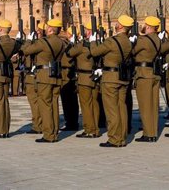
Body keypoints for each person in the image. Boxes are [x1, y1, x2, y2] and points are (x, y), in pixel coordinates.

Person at [20, 19, 68, 143]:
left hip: (44, 76)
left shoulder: (43, 42)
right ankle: (54, 130)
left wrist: (29, 40)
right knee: (54, 104)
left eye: (47, 27)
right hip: (56, 75)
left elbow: (25, 51)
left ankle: (48, 134)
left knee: (45, 105)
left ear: (51, 29)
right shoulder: (61, 43)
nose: (46, 29)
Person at [90, 14, 134, 148]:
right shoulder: (128, 42)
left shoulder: (111, 41)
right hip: (122, 78)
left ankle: (115, 138)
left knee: (112, 109)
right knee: (122, 108)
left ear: (120, 26)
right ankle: (122, 137)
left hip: (111, 77)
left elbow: (95, 52)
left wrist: (93, 41)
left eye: (117, 23)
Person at [131, 16, 163, 142]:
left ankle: (148, 133)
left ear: (148, 26)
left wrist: (133, 41)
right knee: (153, 105)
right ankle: (153, 131)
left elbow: (132, 52)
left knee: (145, 105)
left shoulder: (143, 40)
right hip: (154, 73)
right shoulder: (157, 39)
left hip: (144, 74)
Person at [67, 22, 101, 138]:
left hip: (84, 78)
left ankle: (89, 130)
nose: (85, 31)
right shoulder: (98, 44)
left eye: (87, 30)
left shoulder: (82, 45)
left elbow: (69, 53)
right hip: (95, 77)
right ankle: (95, 128)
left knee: (86, 104)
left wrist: (73, 43)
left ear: (90, 32)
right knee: (94, 104)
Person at [20, 23, 45, 134]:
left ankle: (37, 126)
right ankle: (43, 124)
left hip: (33, 76)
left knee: (34, 102)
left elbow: (24, 50)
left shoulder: (39, 44)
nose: (36, 33)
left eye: (39, 31)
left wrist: (28, 40)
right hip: (40, 75)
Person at [60, 28, 79, 132]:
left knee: (68, 100)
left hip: (66, 74)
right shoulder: (76, 43)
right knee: (72, 100)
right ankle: (72, 122)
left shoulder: (69, 45)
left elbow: (68, 54)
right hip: (72, 73)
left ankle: (71, 123)